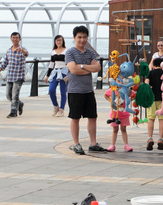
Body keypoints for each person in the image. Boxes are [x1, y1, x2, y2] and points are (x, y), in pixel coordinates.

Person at [65, 26, 106, 155]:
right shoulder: (70, 52)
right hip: (75, 90)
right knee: (75, 117)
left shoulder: (90, 52)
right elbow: (73, 70)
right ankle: (76, 143)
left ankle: (93, 144)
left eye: (84, 37)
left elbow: (97, 67)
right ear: (74, 38)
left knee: (92, 117)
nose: (82, 40)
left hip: (88, 90)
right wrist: (88, 68)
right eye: (79, 37)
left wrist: (81, 66)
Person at [0, 32, 28, 118]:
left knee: (15, 94)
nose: (15, 39)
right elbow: (4, 64)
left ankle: (13, 112)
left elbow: (26, 54)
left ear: (20, 39)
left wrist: (21, 50)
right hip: (10, 76)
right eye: (13, 38)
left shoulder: (22, 49)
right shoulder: (8, 51)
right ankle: (20, 103)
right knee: (8, 95)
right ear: (11, 39)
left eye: (16, 38)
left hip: (19, 76)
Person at [145, 57, 163, 151]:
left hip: (151, 99)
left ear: (153, 65)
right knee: (162, 120)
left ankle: (150, 138)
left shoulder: (150, 73)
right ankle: (160, 139)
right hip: (162, 99)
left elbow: (146, 85)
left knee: (151, 119)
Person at [103, 86, 132, 152]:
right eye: (118, 80)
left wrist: (128, 100)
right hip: (115, 114)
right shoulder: (113, 89)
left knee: (123, 129)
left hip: (124, 114)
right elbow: (105, 94)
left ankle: (126, 144)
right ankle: (112, 144)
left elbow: (133, 95)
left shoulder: (126, 90)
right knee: (115, 129)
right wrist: (110, 100)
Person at [45, 34, 68, 117]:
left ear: (63, 41)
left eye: (60, 40)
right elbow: (51, 65)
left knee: (63, 92)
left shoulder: (66, 51)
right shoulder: (53, 51)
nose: (59, 42)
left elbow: (69, 63)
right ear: (55, 42)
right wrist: (47, 76)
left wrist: (69, 74)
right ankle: (55, 106)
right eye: (57, 40)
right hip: (55, 72)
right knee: (51, 90)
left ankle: (61, 109)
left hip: (64, 72)